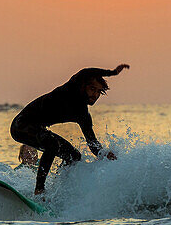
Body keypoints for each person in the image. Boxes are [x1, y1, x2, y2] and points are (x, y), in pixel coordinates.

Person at [10, 64, 129, 195]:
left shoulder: (83, 115)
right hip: (20, 125)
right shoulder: (71, 89)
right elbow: (86, 71)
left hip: (38, 130)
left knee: (74, 156)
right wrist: (111, 73)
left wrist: (104, 154)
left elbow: (92, 144)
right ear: (83, 86)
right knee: (52, 144)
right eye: (92, 89)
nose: (95, 94)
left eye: (98, 92)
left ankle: (57, 190)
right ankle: (39, 189)